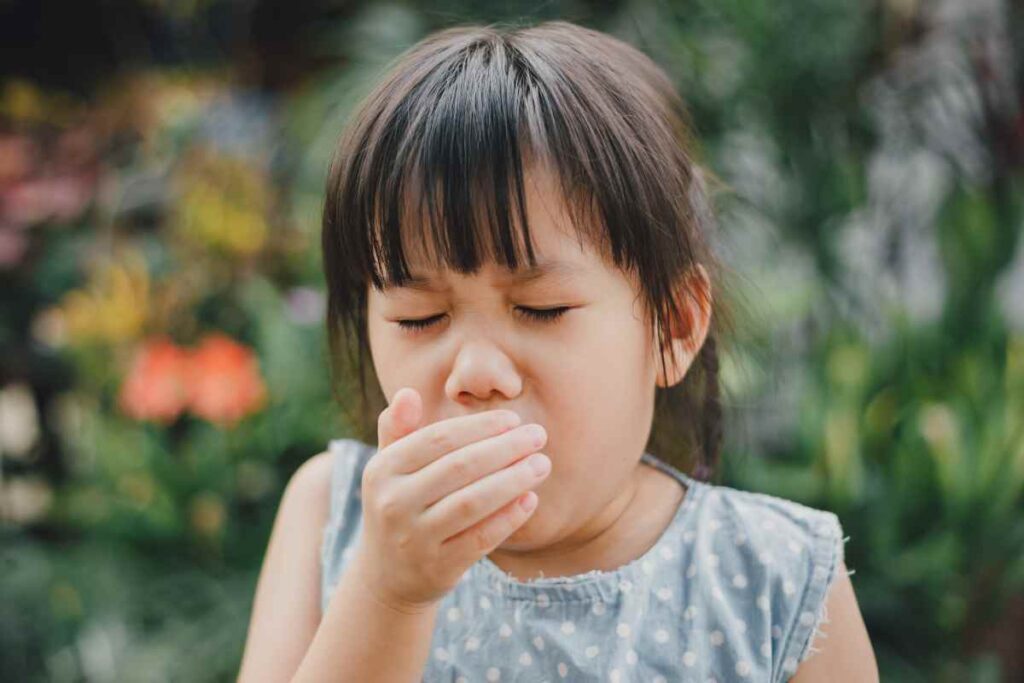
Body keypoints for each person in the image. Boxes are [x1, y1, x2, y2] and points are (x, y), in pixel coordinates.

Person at [238, 20, 878, 683]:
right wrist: (389, 593)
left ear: (675, 326)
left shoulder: (775, 579)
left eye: (540, 308)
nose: (476, 372)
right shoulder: (329, 513)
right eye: (420, 317)